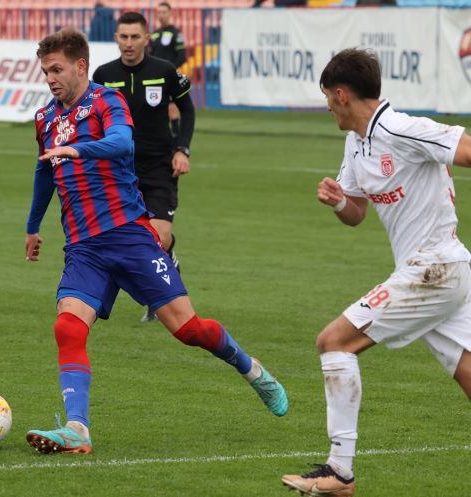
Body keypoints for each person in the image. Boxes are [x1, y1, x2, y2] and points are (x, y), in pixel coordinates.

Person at [23, 28, 288, 455]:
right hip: (84, 247)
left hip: (130, 237)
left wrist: (79, 150)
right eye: (45, 71)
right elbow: (43, 172)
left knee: (189, 330)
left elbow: (121, 142)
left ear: (80, 66)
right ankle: (77, 429)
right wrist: (33, 226)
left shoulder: (107, 101)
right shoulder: (45, 119)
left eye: (57, 70)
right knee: (67, 327)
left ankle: (252, 369)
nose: (50, 78)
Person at [282, 48, 471, 497]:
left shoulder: (401, 128)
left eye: (327, 98)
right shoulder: (356, 142)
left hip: (434, 270)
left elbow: (465, 150)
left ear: (342, 95)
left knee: (334, 342)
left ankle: (339, 472)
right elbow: (357, 213)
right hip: (440, 273)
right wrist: (338, 202)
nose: (328, 106)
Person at [93, 12, 195, 323]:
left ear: (146, 39)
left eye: (135, 37)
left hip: (160, 167)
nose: (129, 43)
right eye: (123, 37)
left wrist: (182, 150)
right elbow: (93, 120)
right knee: (125, 239)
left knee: (159, 237)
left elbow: (188, 110)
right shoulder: (103, 75)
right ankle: (154, 294)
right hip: (119, 172)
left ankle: (168, 263)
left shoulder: (164, 71)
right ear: (116, 38)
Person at [150, 2, 185, 141]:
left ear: (170, 14)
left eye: (164, 12)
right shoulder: (154, 35)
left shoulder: (176, 33)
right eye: (159, 12)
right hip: (154, 78)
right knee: (154, 107)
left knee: (172, 109)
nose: (161, 15)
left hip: (169, 77)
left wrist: (169, 70)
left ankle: (177, 142)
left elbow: (182, 56)